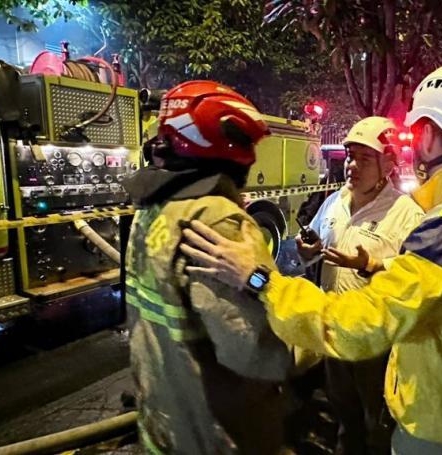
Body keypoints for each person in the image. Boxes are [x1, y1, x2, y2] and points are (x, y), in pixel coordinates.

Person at [180, 63, 442, 454]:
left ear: (428, 133)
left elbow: (363, 323)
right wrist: (372, 265)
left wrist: (260, 280)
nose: (353, 164)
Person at [124, 80, 291, 454]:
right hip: (217, 435)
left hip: (163, 425)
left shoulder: (151, 211)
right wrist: (307, 345)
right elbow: (251, 349)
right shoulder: (218, 220)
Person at [296, 116, 423, 455]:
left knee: (377, 425)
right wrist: (308, 251)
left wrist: (370, 266)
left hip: (375, 346)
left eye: (364, 158)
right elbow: (316, 245)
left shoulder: (407, 214)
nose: (351, 166)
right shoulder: (335, 202)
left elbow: (418, 278)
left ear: (388, 162)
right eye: (351, 156)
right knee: (344, 418)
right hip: (335, 334)